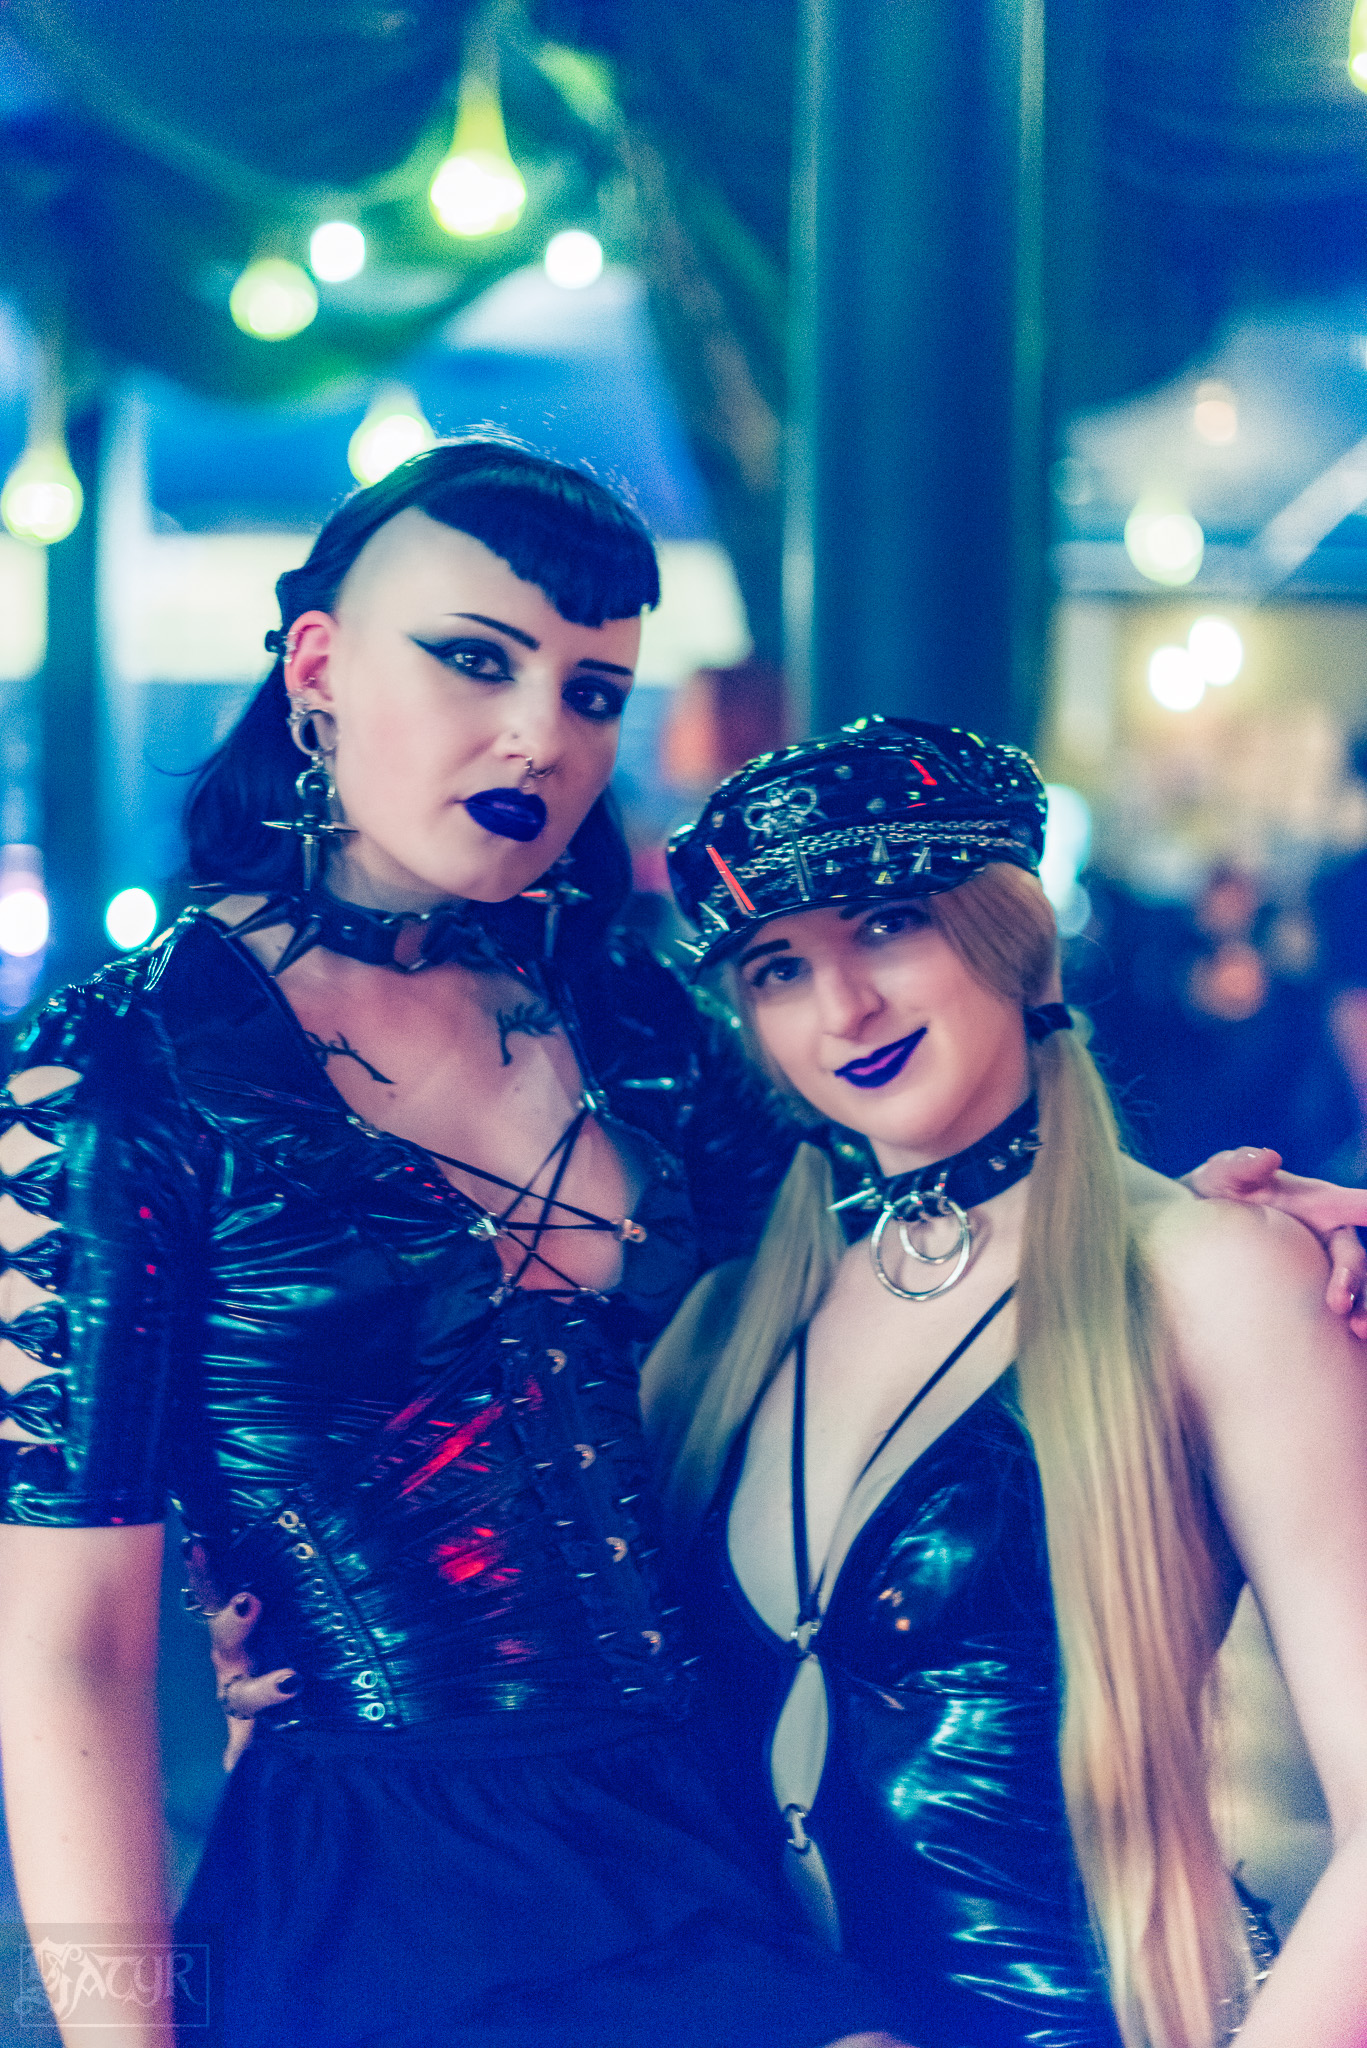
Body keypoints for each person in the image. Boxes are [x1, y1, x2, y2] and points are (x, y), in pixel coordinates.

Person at [0, 441, 905, 2048]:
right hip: (376, 1886)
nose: (541, 736)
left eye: (593, 691)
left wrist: (1214, 1226)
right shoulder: (120, 1071)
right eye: (477, 660)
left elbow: (920, 1256)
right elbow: (70, 1652)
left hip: (704, 1826)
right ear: (318, 670)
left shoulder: (643, 1026)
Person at [642, 717, 1367, 2048]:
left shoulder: (1206, 1276)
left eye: (888, 924)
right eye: (779, 967)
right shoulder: (722, 1333)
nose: (843, 1009)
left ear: (1013, 934)